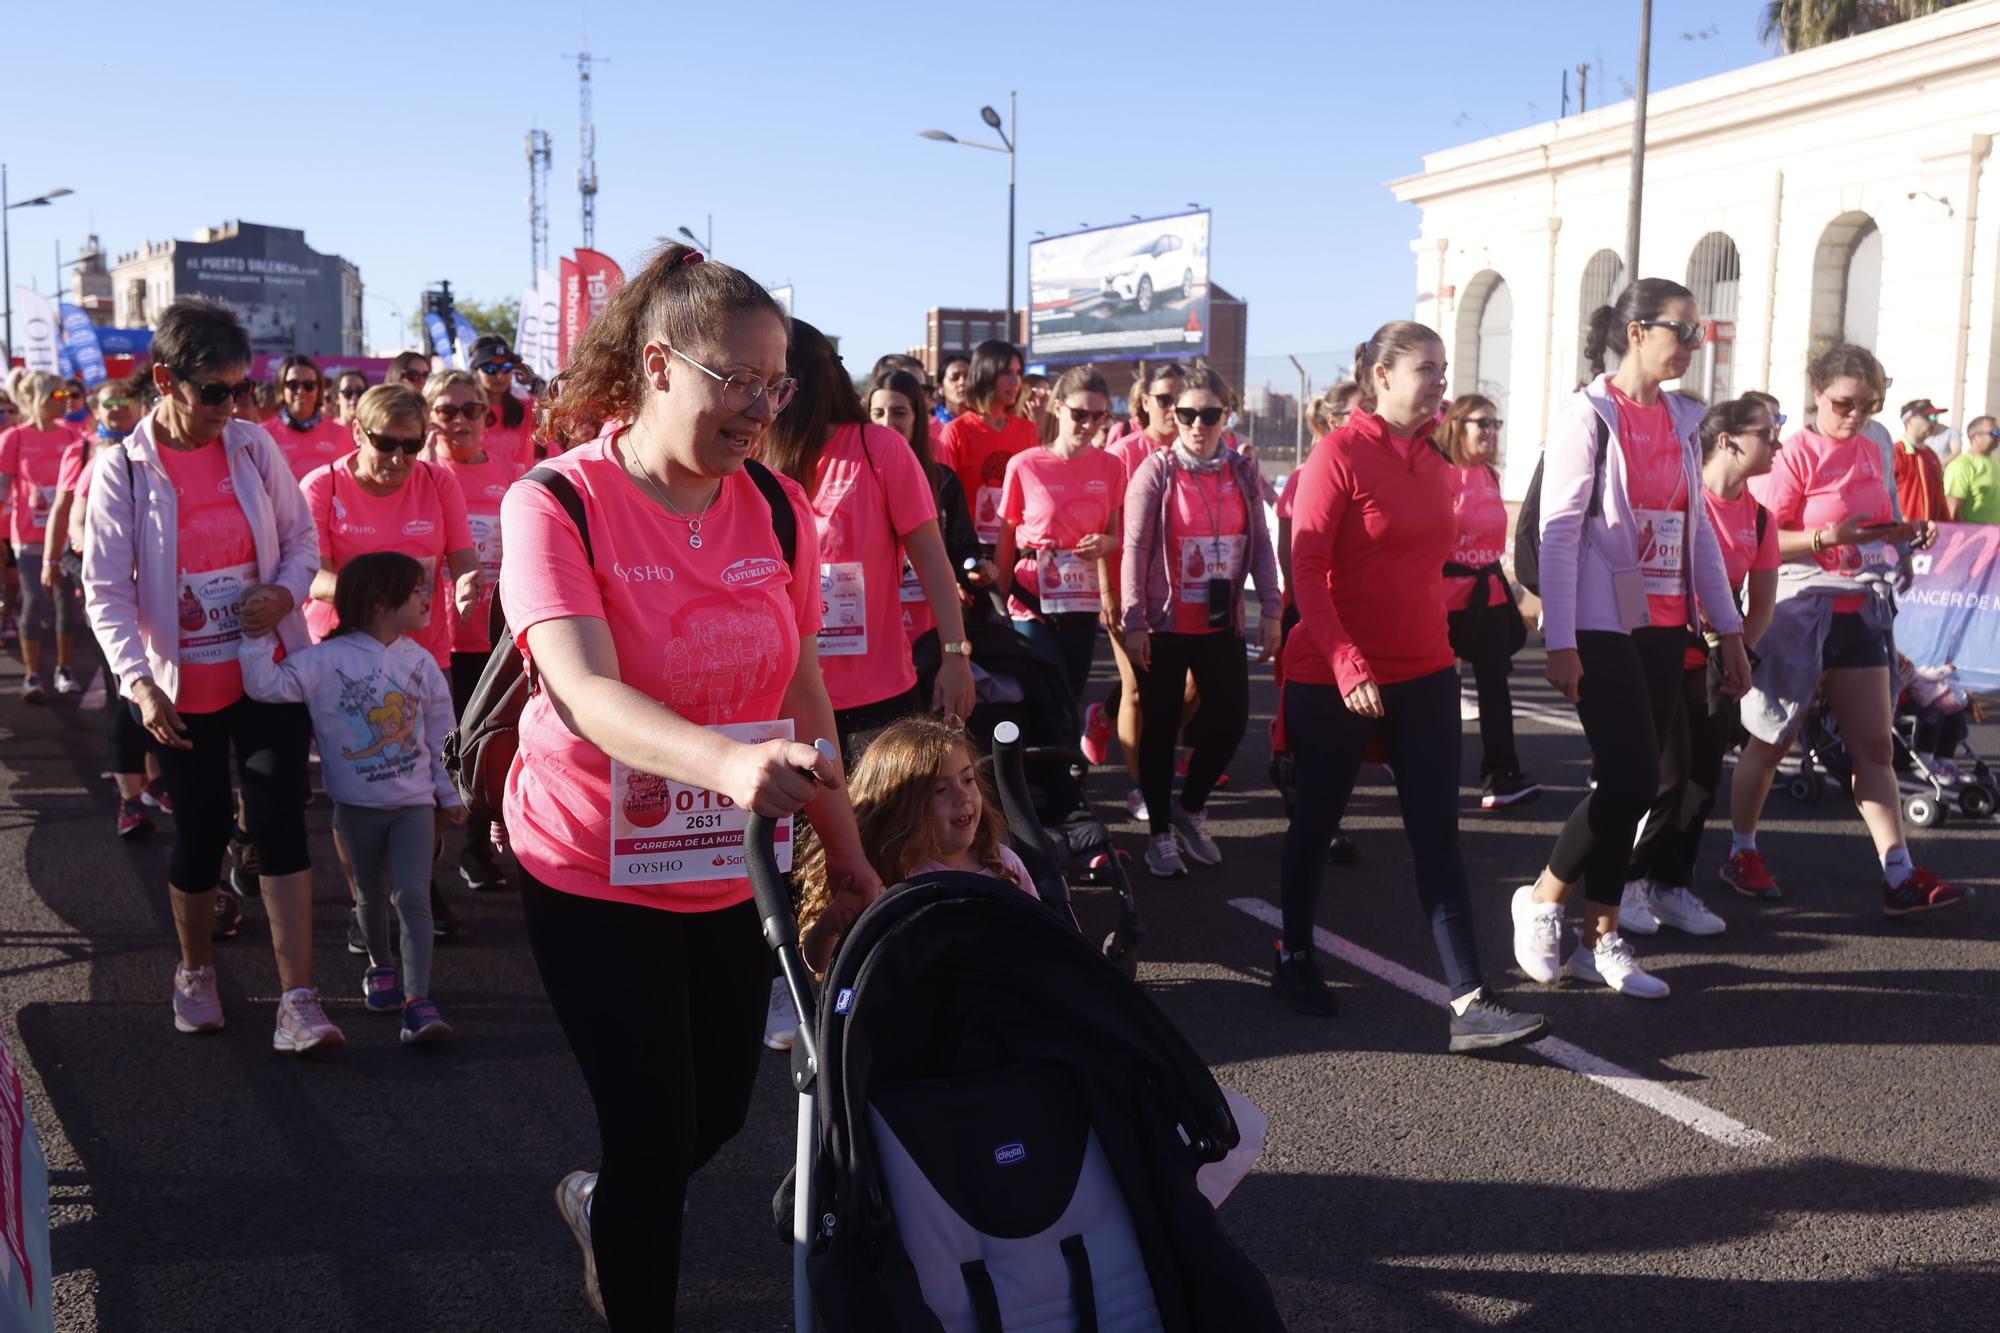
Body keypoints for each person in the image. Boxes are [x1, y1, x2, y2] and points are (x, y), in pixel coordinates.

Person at [503, 243, 883, 1327]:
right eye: (737, 380)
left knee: (714, 1113)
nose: (761, 406)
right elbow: (579, 689)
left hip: (727, 863)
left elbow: (803, 679)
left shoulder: (773, 505)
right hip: (589, 864)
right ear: (659, 365)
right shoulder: (555, 503)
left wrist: (844, 846)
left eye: (778, 384)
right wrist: (725, 763)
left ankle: (602, 1200)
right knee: (653, 1135)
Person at [1272, 321, 1547, 1050]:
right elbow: (1306, 572)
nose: (1439, 381)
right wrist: (1346, 660)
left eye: (1443, 368)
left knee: (1438, 836)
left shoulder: (1435, 461)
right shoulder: (1338, 453)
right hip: (1336, 674)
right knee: (1317, 823)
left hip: (1425, 669)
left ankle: (1470, 1002)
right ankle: (1292, 953)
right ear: (1381, 376)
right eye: (1425, 369)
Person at [81, 296, 338, 1051]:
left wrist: (284, 592)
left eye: (243, 387)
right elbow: (106, 592)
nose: (233, 406)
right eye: (215, 391)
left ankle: (300, 999)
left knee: (282, 821)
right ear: (165, 379)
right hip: (178, 689)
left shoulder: (254, 448)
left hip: (266, 674)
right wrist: (138, 682)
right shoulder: (121, 472)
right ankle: (195, 971)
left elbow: (301, 539)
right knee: (198, 831)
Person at [1510, 279, 1751, 1001]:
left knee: (1629, 784)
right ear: (1638, 331)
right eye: (1685, 330)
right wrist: (1559, 636)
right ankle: (1546, 897)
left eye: (1701, 333)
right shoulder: (1587, 415)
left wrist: (1728, 630)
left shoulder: (1683, 419)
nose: (1695, 346)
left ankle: (1597, 936)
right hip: (1599, 620)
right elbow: (1558, 530)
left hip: (1665, 621)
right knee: (1633, 776)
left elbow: (1698, 532)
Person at [1726, 344, 1966, 914]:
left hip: (1857, 608)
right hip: (1795, 609)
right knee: (1772, 741)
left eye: (1869, 405)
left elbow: (1875, 524)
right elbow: (1759, 538)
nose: (1856, 416)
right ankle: (1741, 851)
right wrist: (1827, 540)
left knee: (1875, 748)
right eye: (1844, 404)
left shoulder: (1872, 446)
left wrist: (1904, 533)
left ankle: (1899, 874)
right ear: (1817, 394)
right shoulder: (1792, 455)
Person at [242, 551, 462, 1043]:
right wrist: (256, 633)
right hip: (356, 808)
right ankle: (381, 966)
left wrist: (451, 795)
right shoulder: (324, 660)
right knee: (370, 893)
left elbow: (441, 734)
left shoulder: (421, 661)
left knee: (411, 895)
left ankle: (417, 1000)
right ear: (382, 604)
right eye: (416, 593)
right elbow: (264, 685)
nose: (428, 599)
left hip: (415, 806)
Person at [301, 383, 480, 941]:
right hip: (345, 660)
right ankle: (364, 902)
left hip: (425, 656)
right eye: (386, 445)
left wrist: (471, 583)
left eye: (413, 444)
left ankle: (415, 885)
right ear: (357, 432)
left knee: (428, 783)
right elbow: (312, 574)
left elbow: (463, 558)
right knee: (359, 787)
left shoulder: (437, 479)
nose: (400, 459)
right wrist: (376, 600)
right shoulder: (322, 486)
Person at [759, 320, 976, 758]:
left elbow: (933, 559)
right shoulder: (756, 454)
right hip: (784, 696)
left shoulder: (879, 448)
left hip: (877, 697)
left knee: (881, 825)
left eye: (770, 381)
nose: (760, 395)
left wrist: (956, 654)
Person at [1621, 395, 1781, 937]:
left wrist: (1733, 651)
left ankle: (1672, 886)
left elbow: (1760, 605)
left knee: (1701, 780)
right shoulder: (1680, 497)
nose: (1778, 441)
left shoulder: (1759, 518)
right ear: (1728, 440)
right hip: (1658, 646)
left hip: (1710, 659)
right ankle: (1627, 884)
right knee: (1662, 778)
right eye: (1768, 431)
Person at [1121, 364, 1282, 878]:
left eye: (1208, 414)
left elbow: (1260, 545)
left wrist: (1272, 609)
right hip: (1167, 624)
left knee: (1232, 719)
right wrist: (1134, 619)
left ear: (1225, 415)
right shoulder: (1156, 471)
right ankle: (1159, 833)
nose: (1196, 424)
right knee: (1161, 728)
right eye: (1186, 413)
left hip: (1220, 622)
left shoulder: (1241, 471)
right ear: (1172, 415)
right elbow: (1134, 547)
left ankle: (1191, 808)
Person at [793, 713, 1035, 970]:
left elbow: (1042, 936)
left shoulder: (1003, 866)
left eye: (968, 780)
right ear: (900, 810)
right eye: (941, 790)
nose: (963, 797)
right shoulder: (884, 879)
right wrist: (832, 923)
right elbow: (819, 964)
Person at [46, 379, 164, 835]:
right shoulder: (94, 458)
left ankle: (155, 781)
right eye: (108, 402)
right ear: (96, 407)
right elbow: (73, 519)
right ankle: (130, 801)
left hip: (157, 592)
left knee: (160, 690)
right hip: (113, 591)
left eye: (124, 401)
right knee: (128, 692)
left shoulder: (151, 451)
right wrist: (70, 561)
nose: (116, 408)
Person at [425, 368, 523, 891]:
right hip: (437, 637)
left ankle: (476, 850)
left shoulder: (512, 472)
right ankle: (425, 876)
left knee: (490, 741)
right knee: (437, 751)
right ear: (428, 417)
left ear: (488, 416)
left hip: (496, 635)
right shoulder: (421, 474)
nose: (460, 421)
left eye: (471, 410)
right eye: (446, 411)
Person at [1089, 362, 1190, 820]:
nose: (1173, 409)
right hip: (1128, 595)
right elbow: (1103, 529)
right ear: (1145, 401)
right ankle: (1140, 787)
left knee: (1192, 691)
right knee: (1138, 692)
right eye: (1164, 399)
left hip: (1181, 599)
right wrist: (1109, 594)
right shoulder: (1124, 453)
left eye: (1180, 400)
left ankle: (1104, 717)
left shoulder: (1199, 451)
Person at [995, 364, 1125, 708]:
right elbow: (1006, 536)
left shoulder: (1111, 467)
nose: (1088, 425)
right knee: (1041, 692)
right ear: (1058, 408)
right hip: (1029, 596)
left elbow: (1114, 536)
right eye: (1079, 414)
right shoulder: (1024, 465)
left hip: (1080, 599)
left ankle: (1064, 759)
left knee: (1069, 695)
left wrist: (1105, 544)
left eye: (1099, 417)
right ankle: (1035, 761)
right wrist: (997, 601)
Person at [1434, 395, 1539, 808]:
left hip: (1488, 593)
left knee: (1495, 687)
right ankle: (1432, 774)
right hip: (1444, 598)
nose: (1492, 432)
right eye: (1483, 423)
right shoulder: (1436, 474)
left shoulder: (1490, 476)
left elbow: (1493, 544)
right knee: (1439, 690)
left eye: (1497, 424)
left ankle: (1500, 774)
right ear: (1458, 425)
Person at [863, 368, 984, 656]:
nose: (887, 423)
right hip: (873, 629)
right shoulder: (852, 481)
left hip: (932, 631)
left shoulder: (944, 481)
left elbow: (964, 549)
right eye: (877, 412)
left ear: (918, 418)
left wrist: (971, 572)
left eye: (899, 413)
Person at [0, 371, 90, 701]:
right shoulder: (15, 438)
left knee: (66, 604)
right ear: (39, 397)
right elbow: (2, 489)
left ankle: (64, 669)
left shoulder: (74, 436)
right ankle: (32, 676)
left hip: (67, 539)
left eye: (67, 396)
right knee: (34, 602)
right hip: (27, 536)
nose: (65, 401)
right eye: (57, 396)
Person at [937, 340, 1038, 554]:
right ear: (986, 373)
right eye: (1007, 373)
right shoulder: (956, 432)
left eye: (1019, 373)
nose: (1016, 381)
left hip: (1019, 547)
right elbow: (943, 502)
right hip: (973, 548)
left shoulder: (1028, 430)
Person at [264, 355, 351, 481]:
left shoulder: (341, 433)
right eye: (293, 385)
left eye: (309, 385)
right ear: (281, 388)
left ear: (319, 389)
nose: (300, 391)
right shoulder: (264, 434)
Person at [468, 334, 536, 466]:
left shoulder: (527, 408)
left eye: (507, 367)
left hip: (521, 485)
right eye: (490, 369)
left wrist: (535, 382)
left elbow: (567, 410)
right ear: (475, 371)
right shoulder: (464, 413)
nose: (500, 375)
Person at [1894, 399, 1948, 523]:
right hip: (1905, 532)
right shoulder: (1896, 452)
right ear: (1909, 421)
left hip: (1932, 533)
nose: (1933, 422)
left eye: (1935, 417)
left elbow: (1940, 497)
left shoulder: (1931, 454)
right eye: (1928, 417)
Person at [1943, 414, 2000, 523]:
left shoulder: (1997, 463)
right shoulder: (1962, 464)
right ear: (1975, 436)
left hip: (1996, 535)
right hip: (1975, 535)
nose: (1998, 436)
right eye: (1994, 433)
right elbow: (1953, 506)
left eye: (1999, 432)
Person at [1019, 370, 1055, 443]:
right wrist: (1035, 427)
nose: (1046, 399)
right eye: (1040, 393)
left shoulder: (1053, 423)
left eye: (1048, 392)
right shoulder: (1014, 424)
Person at [935, 352, 970, 427]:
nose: (962, 382)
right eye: (955, 378)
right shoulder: (929, 428)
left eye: (968, 377)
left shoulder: (988, 424)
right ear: (940, 388)